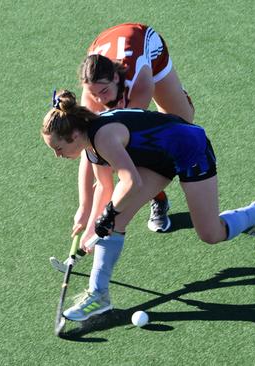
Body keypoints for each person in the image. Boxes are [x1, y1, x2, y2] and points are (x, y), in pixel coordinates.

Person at [42, 90, 255, 321]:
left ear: (73, 135)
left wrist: (109, 213)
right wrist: (92, 228)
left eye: (58, 148)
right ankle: (99, 295)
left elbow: (131, 181)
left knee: (210, 233)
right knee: (114, 221)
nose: (57, 155)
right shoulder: (89, 145)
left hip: (190, 150)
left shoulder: (103, 137)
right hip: (157, 159)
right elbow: (104, 188)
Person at [50, 23, 195, 272]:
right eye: (95, 95)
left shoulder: (139, 82)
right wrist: (85, 208)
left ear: (116, 78)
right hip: (106, 47)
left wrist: (100, 217)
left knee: (180, 122)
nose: (100, 100)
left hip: (146, 47)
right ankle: (159, 197)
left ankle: (178, 96)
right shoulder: (92, 94)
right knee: (107, 145)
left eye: (104, 92)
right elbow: (91, 150)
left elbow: (126, 143)